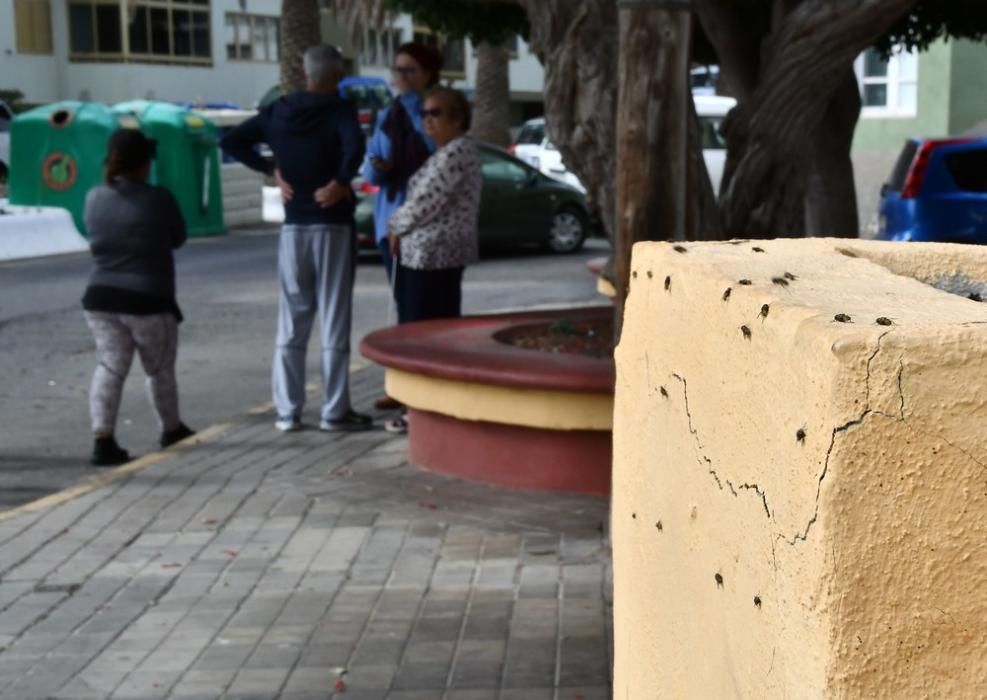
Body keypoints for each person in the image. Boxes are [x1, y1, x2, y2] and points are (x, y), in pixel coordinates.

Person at [220, 45, 371, 433]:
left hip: (293, 228)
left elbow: (233, 142)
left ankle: (288, 412)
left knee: (293, 317)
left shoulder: (278, 111)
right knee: (334, 316)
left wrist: (272, 170)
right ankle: (334, 411)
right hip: (332, 224)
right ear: (337, 75)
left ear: (305, 74)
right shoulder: (338, 110)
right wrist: (340, 182)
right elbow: (355, 146)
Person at [82, 129, 195, 466]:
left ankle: (103, 440)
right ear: (145, 163)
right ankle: (170, 429)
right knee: (158, 367)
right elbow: (178, 238)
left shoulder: (93, 197)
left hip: (100, 298)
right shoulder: (158, 198)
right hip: (148, 300)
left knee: (109, 366)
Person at [385, 87, 483, 432]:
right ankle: (422, 407)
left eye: (436, 113)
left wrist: (394, 225)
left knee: (424, 335)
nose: (428, 120)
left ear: (457, 118)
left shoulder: (456, 153)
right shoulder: (446, 153)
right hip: (427, 255)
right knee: (427, 332)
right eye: (425, 113)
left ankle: (422, 410)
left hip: (433, 256)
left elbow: (426, 202)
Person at [362, 42, 443, 411]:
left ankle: (419, 389)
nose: (401, 78)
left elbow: (436, 148)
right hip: (388, 221)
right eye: (397, 71)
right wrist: (376, 167)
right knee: (402, 306)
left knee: (421, 310)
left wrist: (415, 111)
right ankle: (401, 385)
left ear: (427, 74)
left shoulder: (434, 108)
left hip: (422, 224)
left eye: (409, 71)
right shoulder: (388, 115)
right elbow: (369, 168)